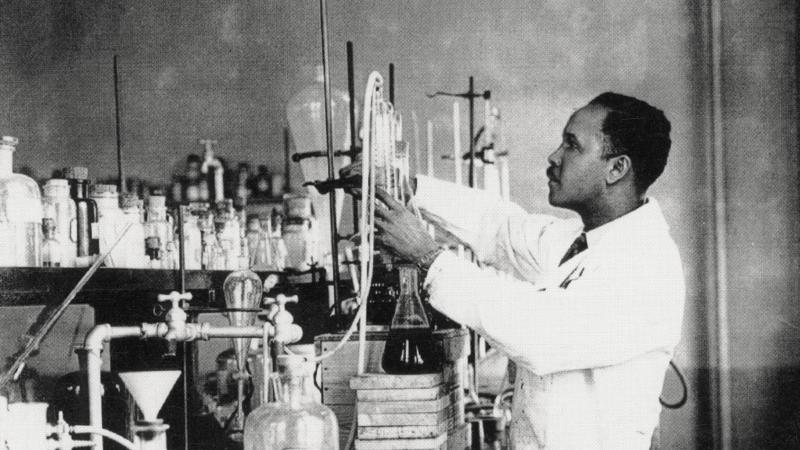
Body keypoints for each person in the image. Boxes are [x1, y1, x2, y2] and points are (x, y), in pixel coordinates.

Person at [372, 92, 685, 449]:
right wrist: (409, 188)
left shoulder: (646, 265)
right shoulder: (578, 241)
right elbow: (498, 227)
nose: (554, 157)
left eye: (572, 145)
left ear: (616, 168)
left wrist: (427, 256)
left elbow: (541, 333)